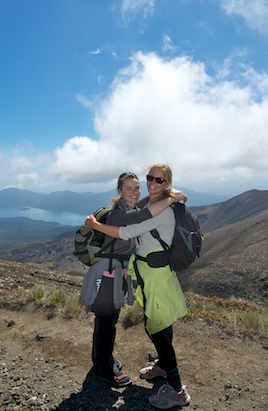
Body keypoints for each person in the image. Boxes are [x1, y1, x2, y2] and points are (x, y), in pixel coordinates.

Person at [84, 163, 191, 409]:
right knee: (156, 323)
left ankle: (176, 389)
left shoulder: (159, 210)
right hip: (146, 273)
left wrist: (95, 225)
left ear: (167, 183)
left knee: (157, 328)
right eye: (149, 178)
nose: (152, 183)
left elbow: (128, 230)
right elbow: (136, 213)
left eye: (159, 180)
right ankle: (162, 368)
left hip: (156, 276)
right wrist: (172, 196)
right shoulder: (150, 205)